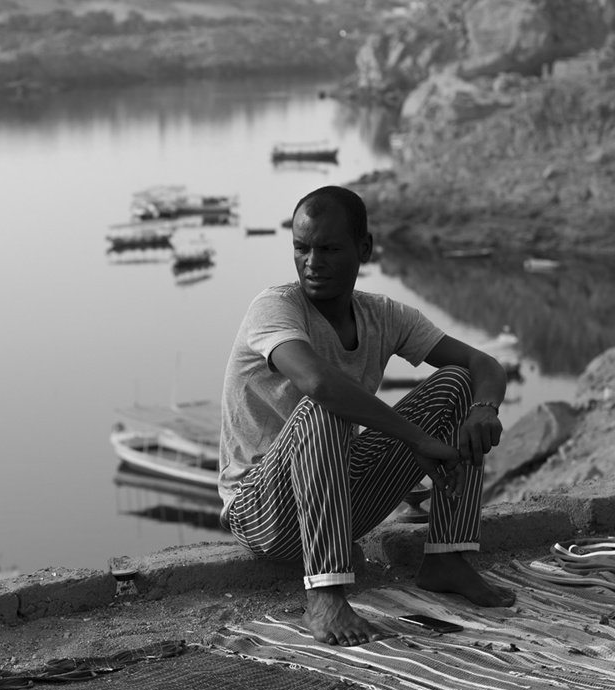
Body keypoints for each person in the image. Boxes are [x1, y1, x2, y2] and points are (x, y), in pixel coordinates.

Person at [218, 185, 515, 647]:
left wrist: (485, 409)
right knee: (327, 402)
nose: (312, 262)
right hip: (262, 511)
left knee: (457, 383)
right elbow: (319, 384)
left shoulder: (383, 315)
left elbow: (483, 365)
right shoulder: (274, 308)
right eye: (301, 248)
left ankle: (447, 558)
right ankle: (325, 594)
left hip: (335, 503)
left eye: (329, 249)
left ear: (364, 249)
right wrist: (415, 438)